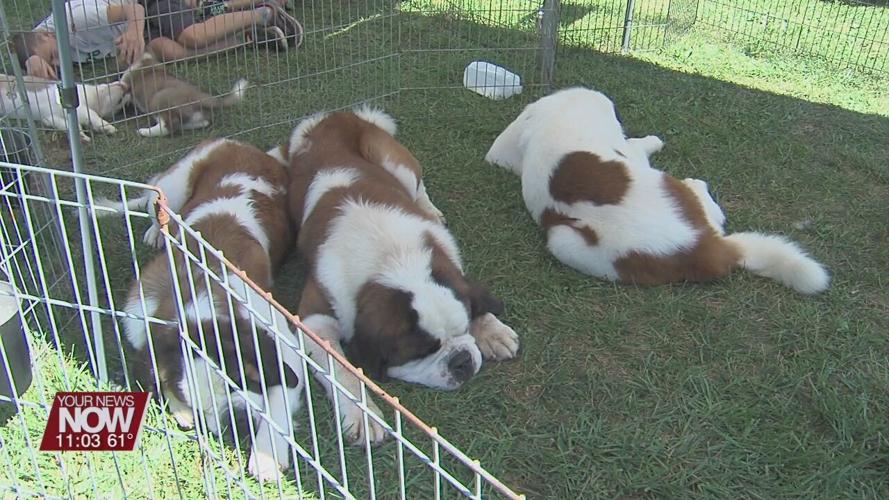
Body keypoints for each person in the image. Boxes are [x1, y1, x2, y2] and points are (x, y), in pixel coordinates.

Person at [11, 0, 301, 79]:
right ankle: (250, 37)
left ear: (47, 34)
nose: (58, 63)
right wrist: (35, 63)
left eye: (52, 56)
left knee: (192, 36)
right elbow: (23, 53)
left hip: (144, 6)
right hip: (139, 28)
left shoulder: (76, 19)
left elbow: (133, 9)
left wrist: (134, 34)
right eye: (53, 63)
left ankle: (265, 14)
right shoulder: (51, 45)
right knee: (170, 51)